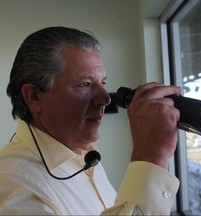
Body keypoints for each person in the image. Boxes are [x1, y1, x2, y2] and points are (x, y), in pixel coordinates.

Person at [0, 26, 182, 215]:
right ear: (35, 96)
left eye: (102, 83)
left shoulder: (84, 158)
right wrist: (150, 157)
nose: (105, 99)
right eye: (85, 84)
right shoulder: (13, 186)